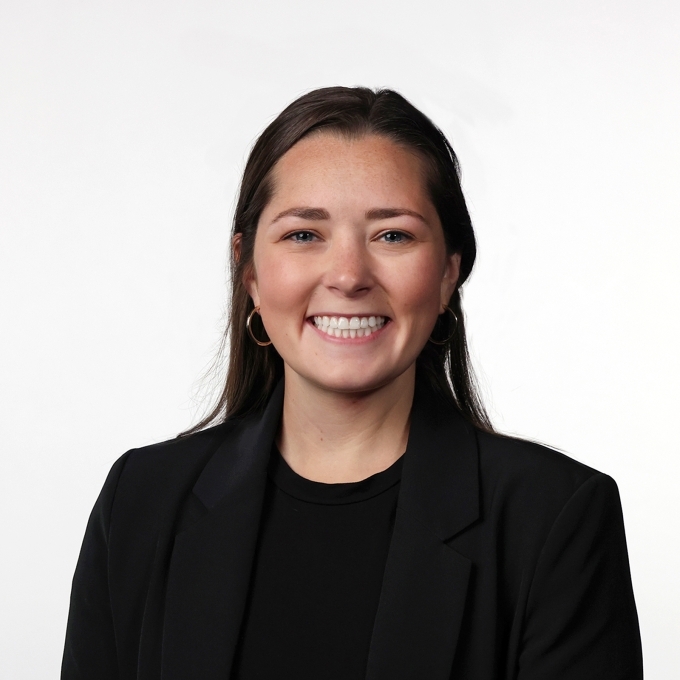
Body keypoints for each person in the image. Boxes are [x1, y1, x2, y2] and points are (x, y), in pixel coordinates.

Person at [61, 87, 643, 680]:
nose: (347, 276)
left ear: (448, 273)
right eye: (303, 235)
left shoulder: (553, 518)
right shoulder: (141, 500)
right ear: (249, 271)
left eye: (393, 235)